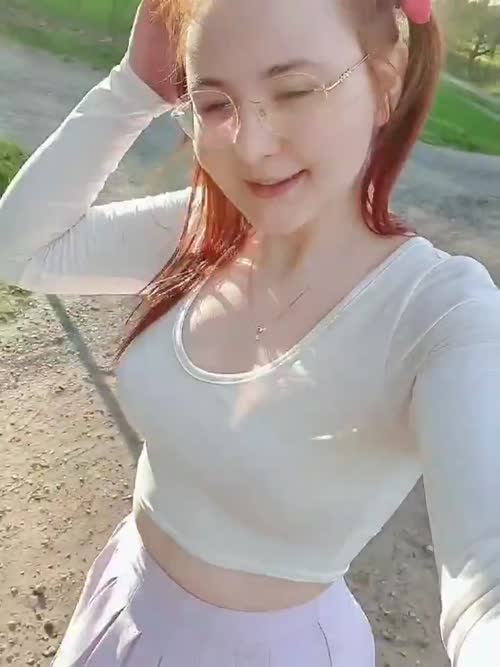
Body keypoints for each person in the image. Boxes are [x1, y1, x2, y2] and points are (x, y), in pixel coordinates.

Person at [0, 0, 499, 664]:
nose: (251, 146)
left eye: (294, 91)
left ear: (385, 82)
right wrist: (132, 85)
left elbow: (486, 587)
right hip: (122, 601)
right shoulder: (200, 231)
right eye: (214, 104)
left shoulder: (440, 313)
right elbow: (20, 251)